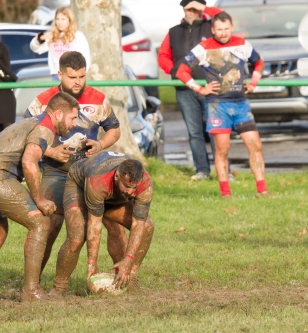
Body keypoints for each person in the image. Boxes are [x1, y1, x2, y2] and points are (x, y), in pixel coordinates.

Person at [0, 92, 79, 303]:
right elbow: (29, 162)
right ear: (59, 114)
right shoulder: (46, 128)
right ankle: (31, 291)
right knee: (41, 222)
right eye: (73, 118)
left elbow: (23, 146)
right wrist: (39, 199)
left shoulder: (33, 121)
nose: (74, 125)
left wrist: (51, 152)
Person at [24, 51, 121, 277]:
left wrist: (100, 144)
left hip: (89, 170)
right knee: (49, 226)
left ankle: (124, 277)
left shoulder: (98, 99)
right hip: (55, 171)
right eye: (72, 77)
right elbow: (25, 134)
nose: (77, 82)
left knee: (113, 224)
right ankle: (32, 281)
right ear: (60, 74)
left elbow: (114, 130)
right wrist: (50, 151)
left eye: (81, 76)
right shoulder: (42, 101)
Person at [176, 12, 269, 198]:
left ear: (232, 28)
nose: (224, 33)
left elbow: (258, 63)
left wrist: (253, 83)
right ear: (213, 30)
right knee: (222, 149)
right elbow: (182, 71)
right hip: (217, 106)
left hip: (241, 104)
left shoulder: (242, 44)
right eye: (219, 30)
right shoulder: (203, 48)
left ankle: (263, 190)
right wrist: (200, 89)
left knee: (255, 145)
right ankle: (225, 192)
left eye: (227, 29)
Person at [50, 152, 154, 296]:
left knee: (148, 226)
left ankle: (128, 277)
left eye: (134, 187)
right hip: (81, 185)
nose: (130, 192)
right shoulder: (99, 180)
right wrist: (92, 263)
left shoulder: (144, 184)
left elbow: (139, 224)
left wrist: (129, 260)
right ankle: (59, 287)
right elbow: (95, 225)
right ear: (117, 176)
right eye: (127, 185)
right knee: (77, 236)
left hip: (111, 194)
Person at [158, 0, 224, 181]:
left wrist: (204, 8)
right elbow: (163, 55)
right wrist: (174, 71)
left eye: (197, 8)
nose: (193, 11)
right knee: (194, 133)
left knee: (217, 130)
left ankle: (223, 171)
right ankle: (202, 170)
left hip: (211, 87)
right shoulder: (173, 32)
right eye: (189, 8)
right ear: (183, 8)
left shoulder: (211, 26)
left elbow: (224, 18)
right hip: (185, 88)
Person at [30, 6, 91, 80]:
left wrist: (79, 75)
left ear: (69, 20)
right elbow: (35, 48)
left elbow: (86, 58)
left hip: (73, 76)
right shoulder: (52, 35)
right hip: (56, 75)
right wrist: (41, 38)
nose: (59, 22)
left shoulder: (78, 36)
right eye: (57, 19)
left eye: (63, 19)